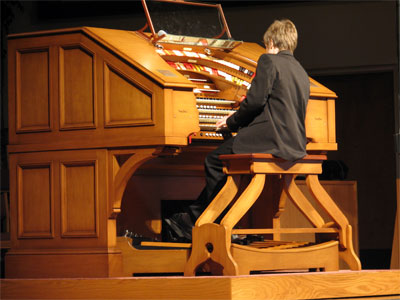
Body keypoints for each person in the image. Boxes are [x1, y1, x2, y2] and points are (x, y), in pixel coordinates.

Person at [164, 19, 310, 242]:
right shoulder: (300, 69)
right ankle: (198, 218)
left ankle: (208, 223)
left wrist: (231, 122)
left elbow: (255, 102)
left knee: (215, 160)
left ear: (270, 42)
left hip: (271, 138)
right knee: (228, 161)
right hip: (295, 142)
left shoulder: (269, 60)